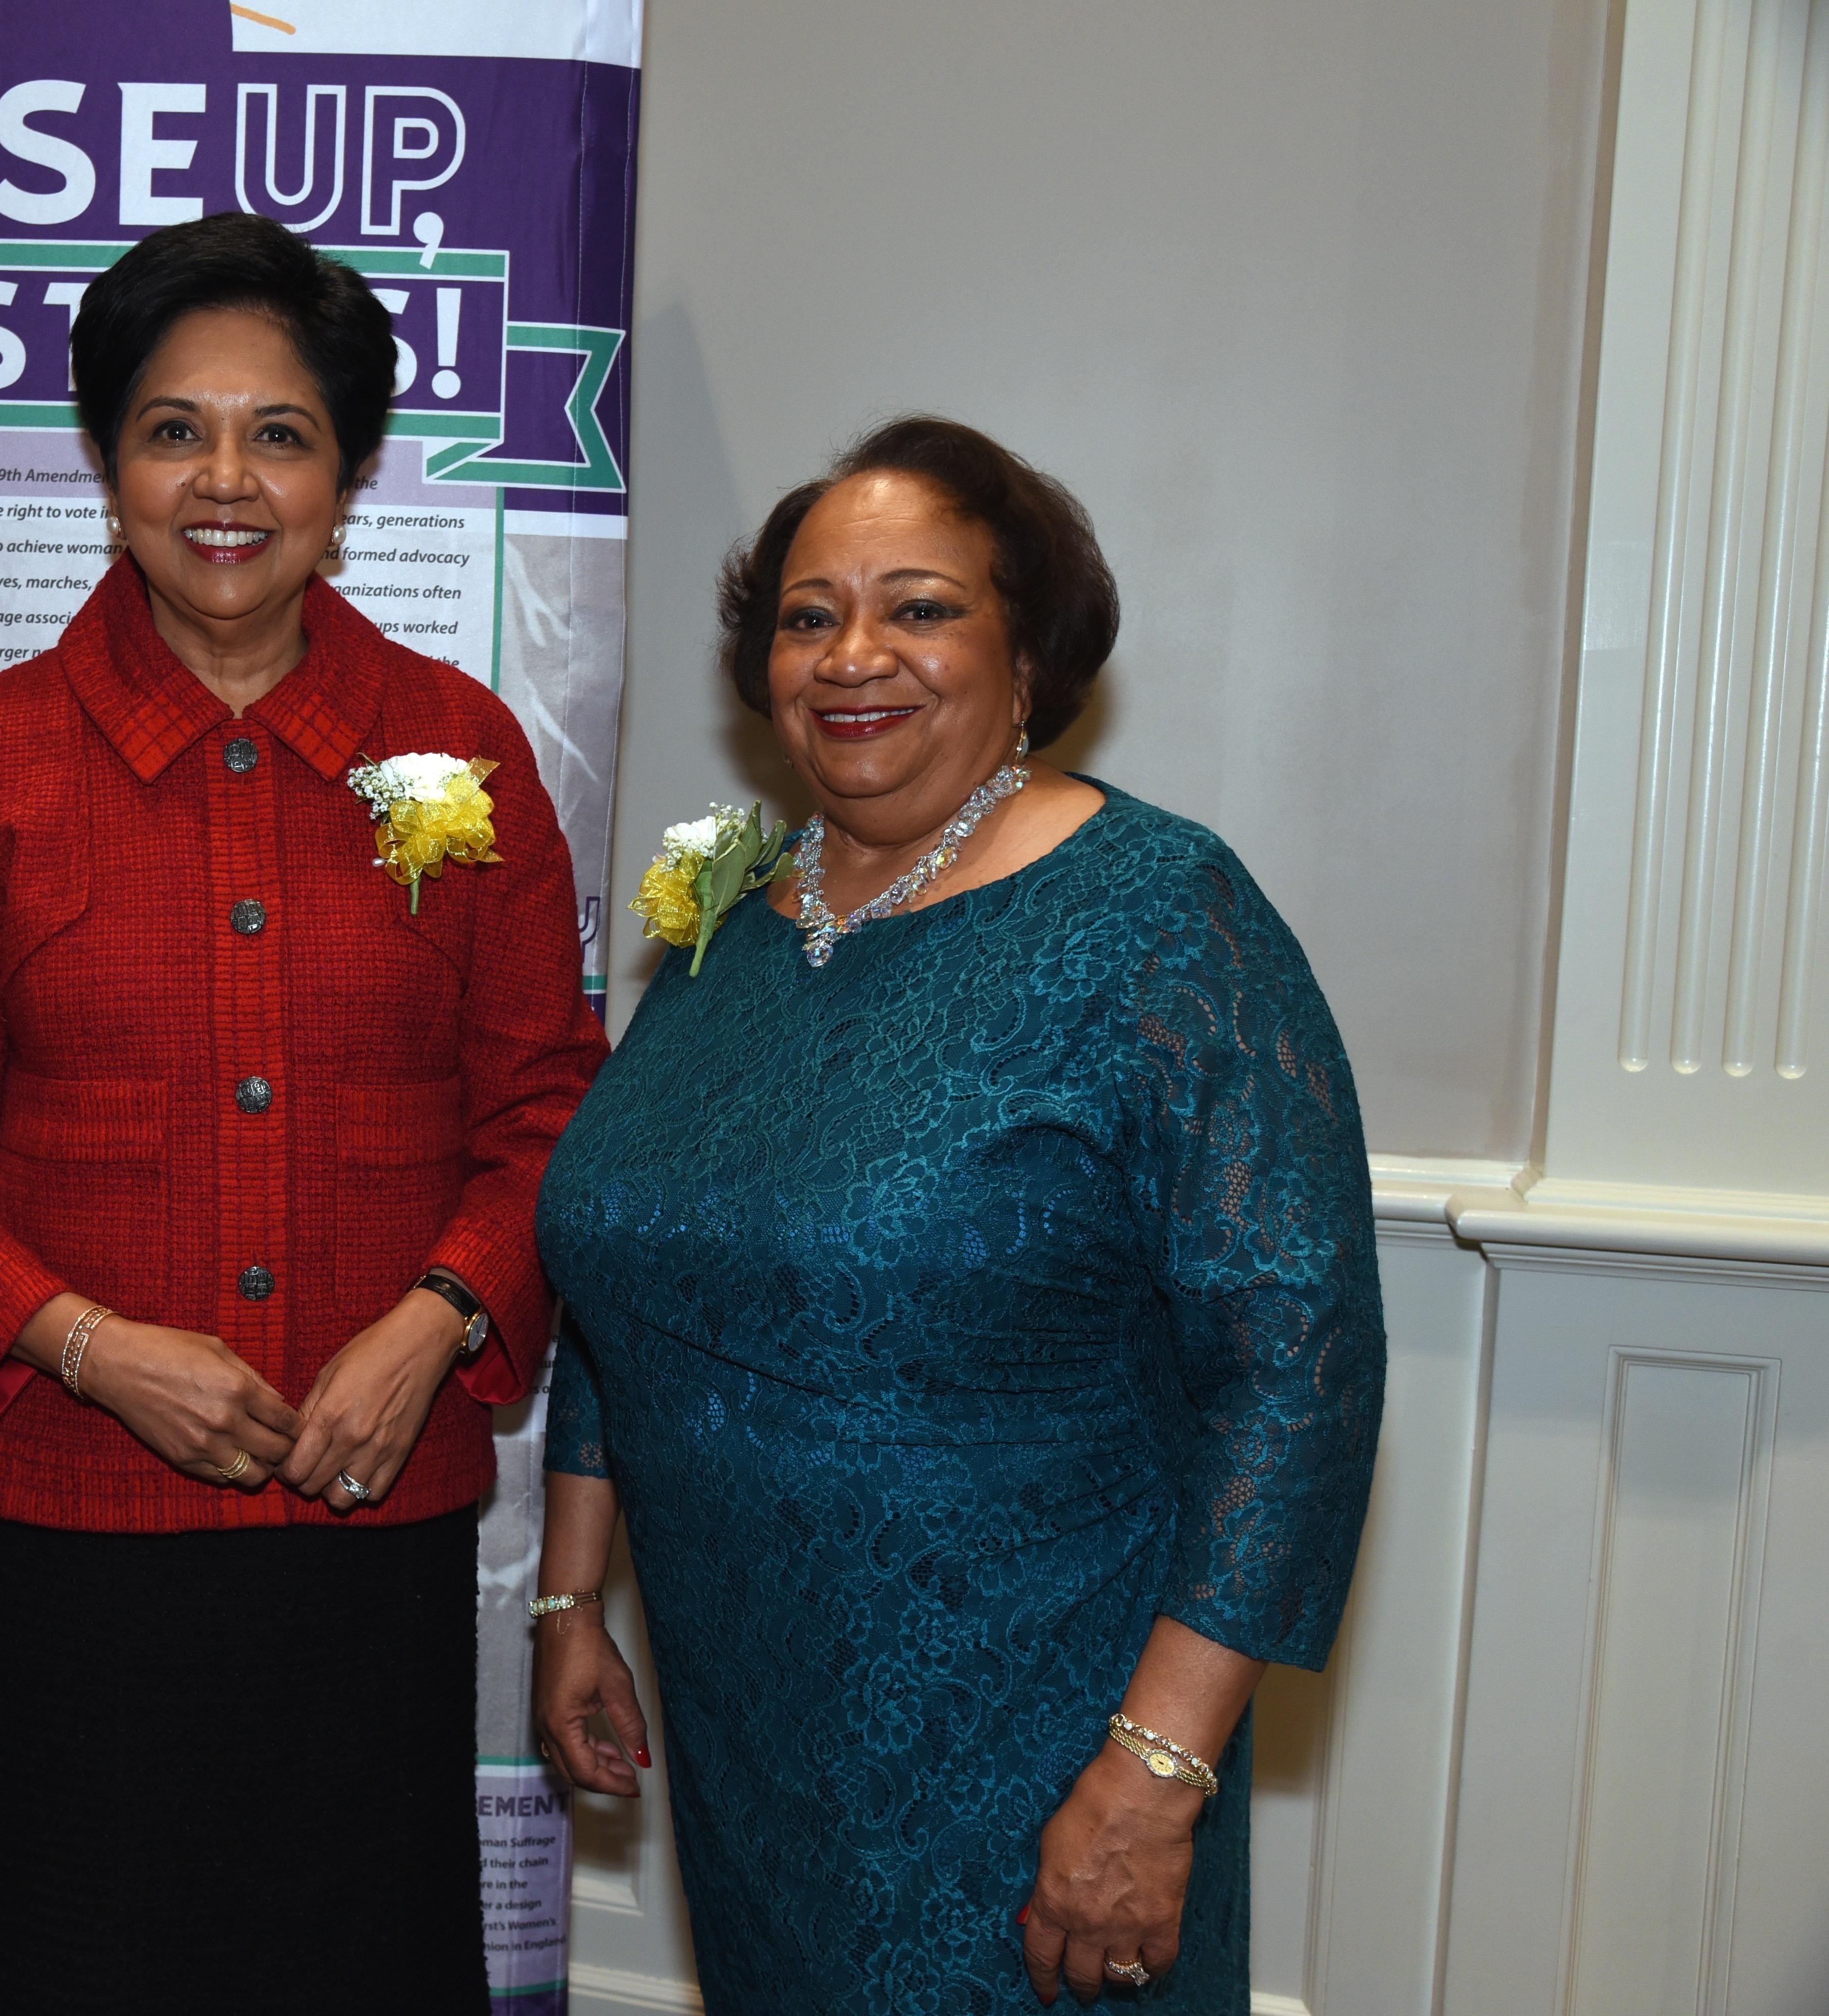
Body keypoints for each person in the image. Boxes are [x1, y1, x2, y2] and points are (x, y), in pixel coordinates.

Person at [0, 211, 606, 2013]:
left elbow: (548, 1107)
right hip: (71, 1539)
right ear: (105, 463)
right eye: (174, 429)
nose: (223, 479)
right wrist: (92, 1348)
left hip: (361, 1531)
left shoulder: (456, 749)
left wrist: (437, 1317)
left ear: (349, 473)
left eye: (279, 431)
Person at [530, 418, 1384, 2013]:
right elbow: (629, 1259)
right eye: (807, 613)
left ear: (1027, 645)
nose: (853, 655)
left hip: (1042, 1740)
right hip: (752, 1720)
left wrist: (1153, 1774)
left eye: (918, 606)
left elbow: (1296, 1368)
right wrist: (572, 1594)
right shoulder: (729, 909)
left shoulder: (1160, 916)